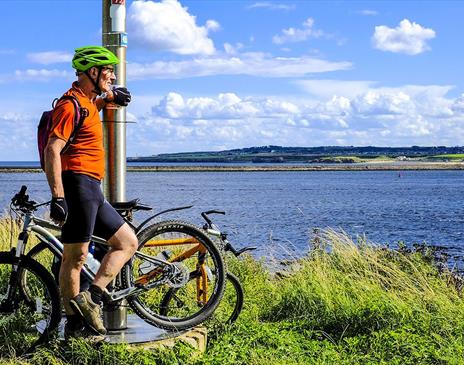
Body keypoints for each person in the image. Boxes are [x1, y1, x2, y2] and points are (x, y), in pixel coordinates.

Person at [44, 46, 138, 339]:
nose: (113, 75)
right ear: (92, 72)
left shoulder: (85, 102)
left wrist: (110, 96)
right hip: (76, 185)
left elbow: (93, 107)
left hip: (92, 187)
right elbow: (52, 149)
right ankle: (74, 326)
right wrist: (58, 197)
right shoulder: (68, 105)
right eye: (108, 70)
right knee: (76, 257)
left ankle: (92, 298)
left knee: (127, 242)